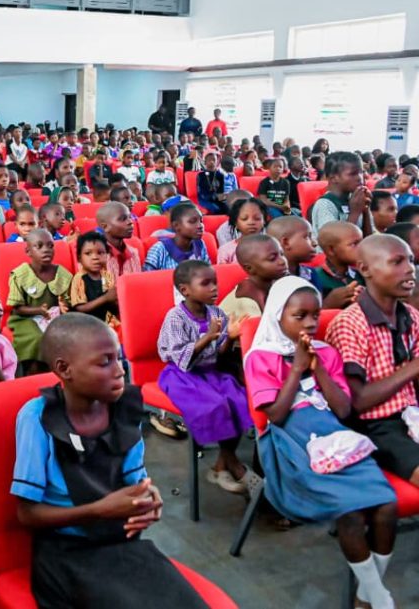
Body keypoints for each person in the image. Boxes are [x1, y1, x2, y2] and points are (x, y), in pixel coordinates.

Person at [12, 313, 208, 607]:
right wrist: (98, 510)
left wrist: (148, 498)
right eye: (105, 362)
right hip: (66, 554)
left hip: (120, 544)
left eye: (119, 358)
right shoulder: (37, 418)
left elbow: (136, 484)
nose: (120, 371)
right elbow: (26, 514)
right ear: (64, 369)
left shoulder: (124, 411)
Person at [245, 277, 398, 609]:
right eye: (299, 316)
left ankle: (368, 594)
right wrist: (297, 369)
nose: (310, 323)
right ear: (278, 315)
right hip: (291, 443)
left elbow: (342, 410)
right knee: (351, 514)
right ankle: (378, 598)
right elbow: (276, 416)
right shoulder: (261, 357)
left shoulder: (326, 353)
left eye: (315, 315)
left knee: (387, 506)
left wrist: (319, 370)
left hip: (336, 438)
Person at [327, 234, 419, 488]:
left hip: (411, 413)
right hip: (376, 425)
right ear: (365, 269)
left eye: (411, 260)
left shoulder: (410, 315)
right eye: (397, 262)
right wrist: (413, 367)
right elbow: (357, 401)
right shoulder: (350, 324)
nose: (409, 269)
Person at [158, 261, 257, 494]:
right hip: (182, 375)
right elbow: (181, 357)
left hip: (211, 371)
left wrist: (229, 337)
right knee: (215, 405)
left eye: (215, 282)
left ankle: (221, 465)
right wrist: (208, 336)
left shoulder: (216, 313)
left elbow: (220, 354)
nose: (214, 288)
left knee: (240, 400)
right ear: (185, 290)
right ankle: (233, 464)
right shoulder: (175, 317)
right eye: (206, 283)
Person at [8, 229, 73, 375]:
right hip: (26, 318)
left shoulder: (62, 274)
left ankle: (62, 373)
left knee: (70, 334)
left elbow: (68, 302)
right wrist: (38, 311)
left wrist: (64, 306)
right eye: (39, 246)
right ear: (28, 251)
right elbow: (17, 308)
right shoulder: (20, 275)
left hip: (55, 316)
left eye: (50, 246)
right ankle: (35, 374)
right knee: (38, 338)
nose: (46, 250)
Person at [218, 234, 289, 322]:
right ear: (249, 268)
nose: (282, 261)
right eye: (272, 258)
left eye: (282, 254)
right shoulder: (248, 301)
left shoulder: (276, 285)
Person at [310, 152, 373, 236]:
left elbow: (368, 238)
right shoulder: (325, 204)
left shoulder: (356, 199)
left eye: (361, 172)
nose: (360, 178)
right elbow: (336, 241)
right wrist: (354, 213)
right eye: (353, 174)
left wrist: (366, 210)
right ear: (334, 178)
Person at [70, 232, 120, 329]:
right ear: (79, 258)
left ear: (107, 255)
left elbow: (112, 303)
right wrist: (106, 298)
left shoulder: (107, 275)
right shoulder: (79, 278)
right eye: (88, 253)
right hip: (88, 325)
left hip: (108, 322)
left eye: (100, 253)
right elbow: (80, 308)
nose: (95, 257)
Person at [143, 203, 209, 271]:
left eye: (201, 221)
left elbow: (207, 272)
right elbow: (147, 276)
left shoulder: (200, 244)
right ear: (176, 225)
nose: (200, 226)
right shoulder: (160, 248)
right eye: (192, 221)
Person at [314, 221, 365, 307]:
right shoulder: (316, 278)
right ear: (331, 250)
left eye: (362, 242)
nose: (361, 248)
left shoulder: (361, 274)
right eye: (354, 244)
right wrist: (328, 304)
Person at [267, 215, 319, 282]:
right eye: (307, 237)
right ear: (286, 243)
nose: (315, 243)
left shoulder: (311, 274)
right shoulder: (270, 280)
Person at [96, 202, 142, 276]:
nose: (130, 222)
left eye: (130, 217)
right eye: (123, 219)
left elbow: (136, 281)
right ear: (105, 227)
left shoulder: (133, 253)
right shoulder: (95, 257)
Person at [217, 198, 267, 265]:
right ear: (235, 222)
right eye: (244, 219)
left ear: (264, 221)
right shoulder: (225, 250)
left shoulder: (272, 246)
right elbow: (222, 270)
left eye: (257, 218)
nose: (251, 222)